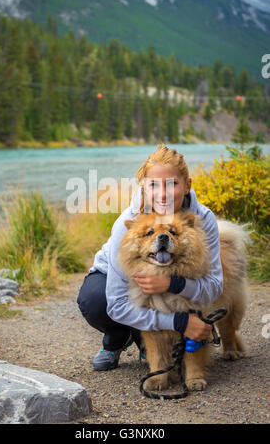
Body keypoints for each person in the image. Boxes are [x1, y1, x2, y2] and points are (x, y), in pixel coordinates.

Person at [77, 144, 223, 371]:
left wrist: (173, 284)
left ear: (187, 186)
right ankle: (119, 337)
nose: (162, 194)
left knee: (173, 303)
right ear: (144, 188)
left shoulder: (203, 218)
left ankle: (157, 339)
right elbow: (117, 305)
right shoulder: (127, 222)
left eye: (172, 184)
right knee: (95, 301)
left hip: (172, 280)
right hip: (116, 277)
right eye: (153, 185)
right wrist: (180, 322)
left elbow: (214, 286)